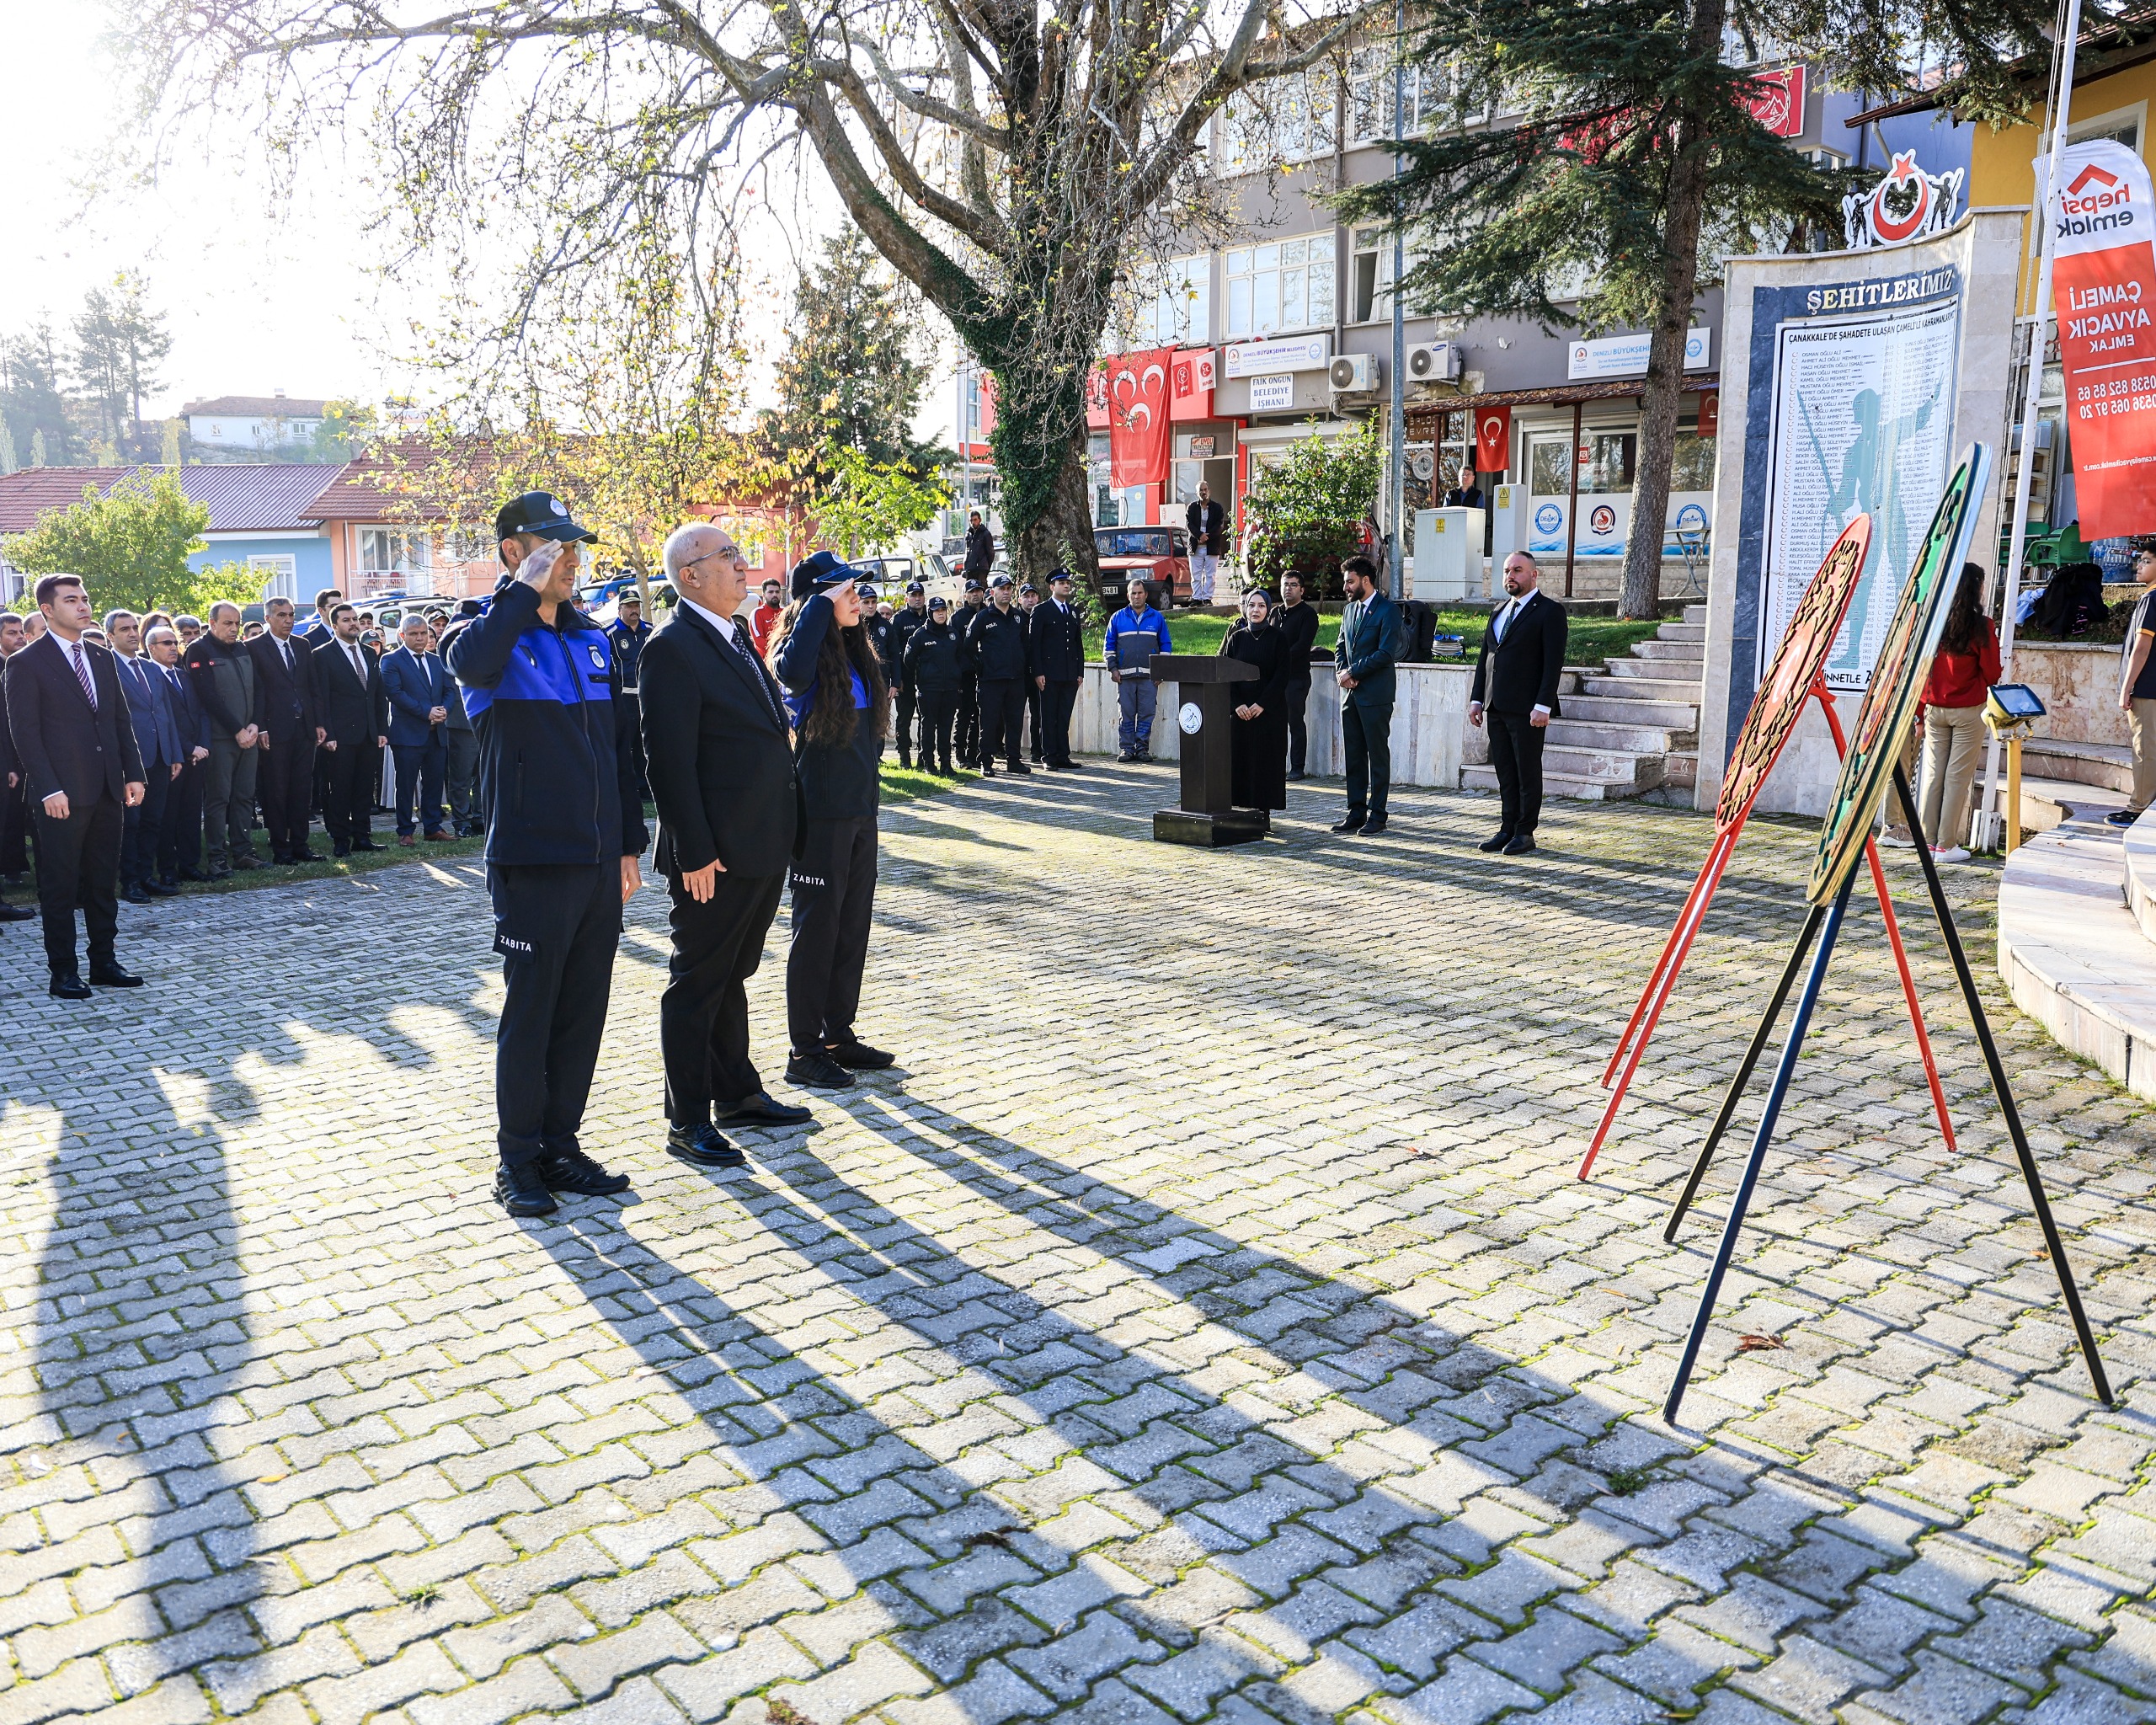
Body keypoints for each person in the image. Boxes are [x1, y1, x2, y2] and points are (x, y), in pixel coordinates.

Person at [446, 490, 648, 1217]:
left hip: (598, 861)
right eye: (555, 546)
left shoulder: (594, 638)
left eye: (574, 546)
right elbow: (472, 665)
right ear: (513, 552)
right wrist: (520, 592)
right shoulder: (483, 634)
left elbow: (620, 750)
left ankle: (562, 1146)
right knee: (531, 1014)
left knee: (582, 1011)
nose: (572, 559)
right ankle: (517, 1160)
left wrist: (629, 845)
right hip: (532, 860)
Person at [639, 521, 813, 1173]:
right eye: (729, 555)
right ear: (690, 575)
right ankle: (687, 1120)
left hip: (760, 840)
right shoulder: (671, 647)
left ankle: (736, 1094)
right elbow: (668, 762)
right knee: (696, 984)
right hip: (712, 855)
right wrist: (694, 852)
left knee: (730, 975)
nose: (744, 565)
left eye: (740, 554)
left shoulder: (733, 632)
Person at [772, 552, 898, 1090]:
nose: (856, 598)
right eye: (843, 590)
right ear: (816, 601)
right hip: (821, 815)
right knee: (817, 929)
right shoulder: (800, 652)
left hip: (860, 809)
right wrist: (817, 608)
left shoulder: (853, 652)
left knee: (851, 926)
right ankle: (803, 1051)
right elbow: (792, 672)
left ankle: (836, 1034)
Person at [3, 575, 147, 996]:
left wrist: (133, 773)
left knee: (102, 883)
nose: (83, 606)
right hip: (60, 795)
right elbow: (25, 733)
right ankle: (63, 971)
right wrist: (48, 788)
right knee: (60, 886)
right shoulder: (26, 662)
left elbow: (119, 720)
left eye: (84, 598)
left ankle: (104, 962)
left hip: (107, 789)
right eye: (71, 600)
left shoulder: (101, 657)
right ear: (47, 610)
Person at [1469, 550, 1568, 855]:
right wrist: (1477, 699)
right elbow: (1486, 658)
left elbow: (1553, 663)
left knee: (1527, 772)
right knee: (1505, 773)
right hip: (1496, 705)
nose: (1510, 576)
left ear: (1533, 575)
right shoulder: (1499, 611)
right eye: (1506, 571)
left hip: (1528, 709)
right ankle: (1507, 828)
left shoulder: (1549, 611)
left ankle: (1525, 832)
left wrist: (1543, 705)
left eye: (1517, 570)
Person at [1913, 562, 2002, 862]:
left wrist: (1920, 710)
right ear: (1976, 588)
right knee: (1957, 777)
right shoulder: (1982, 626)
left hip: (1934, 708)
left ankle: (1927, 842)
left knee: (1932, 775)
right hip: (1968, 709)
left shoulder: (1933, 621)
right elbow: (1992, 672)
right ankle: (1946, 844)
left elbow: (1921, 670)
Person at [106, 611, 182, 902]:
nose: (132, 633)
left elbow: (165, 713)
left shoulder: (151, 668)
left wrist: (174, 753)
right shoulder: (107, 667)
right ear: (110, 636)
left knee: (153, 820)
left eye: (134, 627)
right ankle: (130, 882)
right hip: (130, 759)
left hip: (160, 756)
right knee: (132, 823)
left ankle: (147, 876)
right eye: (124, 629)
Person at [185, 602, 264, 879]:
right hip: (221, 738)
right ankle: (217, 857)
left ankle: (243, 851)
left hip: (249, 736)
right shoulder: (198, 650)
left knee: (245, 795)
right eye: (228, 623)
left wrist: (254, 724)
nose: (234, 628)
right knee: (218, 798)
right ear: (212, 623)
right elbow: (207, 696)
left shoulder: (243, 648)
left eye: (237, 623)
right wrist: (236, 730)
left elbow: (258, 689)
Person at [1333, 556, 1406, 836]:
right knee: (1353, 756)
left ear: (1366, 581)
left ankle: (1378, 815)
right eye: (1345, 582)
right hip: (1350, 696)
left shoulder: (1388, 611)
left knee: (1377, 756)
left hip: (1375, 696)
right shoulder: (1349, 610)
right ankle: (1355, 812)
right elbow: (1340, 646)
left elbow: (1386, 653)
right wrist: (1342, 672)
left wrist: (1353, 671)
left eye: (1350, 582)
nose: (1346, 587)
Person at [311, 604, 389, 857]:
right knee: (340, 790)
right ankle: (340, 839)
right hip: (339, 736)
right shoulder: (322, 654)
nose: (353, 623)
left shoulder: (368, 652)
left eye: (355, 619)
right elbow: (321, 698)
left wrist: (381, 729)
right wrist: (328, 733)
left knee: (365, 788)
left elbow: (376, 694)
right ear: (334, 625)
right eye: (346, 620)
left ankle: (362, 837)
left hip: (368, 733)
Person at [250, 597, 323, 864]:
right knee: (277, 790)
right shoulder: (254, 647)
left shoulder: (302, 645)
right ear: (268, 618)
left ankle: (301, 845)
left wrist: (318, 723)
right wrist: (261, 727)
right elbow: (255, 691)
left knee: (302, 789)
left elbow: (312, 687)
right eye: (282, 615)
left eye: (291, 615)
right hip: (274, 730)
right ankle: (281, 847)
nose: (289, 620)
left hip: (303, 728)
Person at [145, 624, 211, 886]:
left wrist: (202, 746)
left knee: (191, 813)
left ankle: (189, 865)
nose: (173, 647)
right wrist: (188, 748)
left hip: (197, 755)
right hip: (171, 757)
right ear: (152, 648)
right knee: (168, 816)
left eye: (174, 642)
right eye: (166, 643)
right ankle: (167, 869)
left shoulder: (183, 675)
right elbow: (165, 720)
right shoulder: (150, 676)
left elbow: (201, 712)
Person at [381, 613, 455, 844]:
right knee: (406, 784)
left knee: (434, 783)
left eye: (424, 633)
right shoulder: (391, 660)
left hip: (436, 734)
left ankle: (433, 828)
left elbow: (450, 690)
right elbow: (395, 694)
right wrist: (427, 712)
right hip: (408, 734)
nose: (420, 638)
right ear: (402, 635)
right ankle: (405, 831)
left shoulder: (437, 660)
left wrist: (444, 710)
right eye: (414, 634)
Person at [1221, 588, 1289, 815]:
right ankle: (1240, 814)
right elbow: (1226, 675)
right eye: (1251, 605)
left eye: (1261, 606)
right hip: (1241, 714)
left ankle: (1263, 813)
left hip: (1268, 713)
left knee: (1266, 764)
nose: (1255, 610)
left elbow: (1282, 676)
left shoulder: (1278, 638)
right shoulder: (1236, 638)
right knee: (1241, 762)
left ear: (1268, 609)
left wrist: (1262, 704)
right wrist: (1237, 705)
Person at [969, 574, 1033, 777]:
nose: (1006, 592)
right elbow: (968, 646)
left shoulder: (1017, 617)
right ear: (993, 592)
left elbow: (1026, 646)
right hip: (991, 680)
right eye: (1002, 589)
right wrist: (981, 665)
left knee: (1015, 722)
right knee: (989, 722)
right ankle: (986, 762)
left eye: (1008, 589)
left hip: (1015, 679)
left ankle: (1013, 761)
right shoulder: (983, 617)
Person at [1105, 578, 1171, 762]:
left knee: (1147, 714)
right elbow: (1109, 646)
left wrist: (1161, 671)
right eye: (1133, 593)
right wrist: (1113, 669)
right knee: (1126, 715)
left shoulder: (1157, 618)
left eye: (1140, 593)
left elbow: (1166, 645)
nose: (1136, 596)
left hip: (1149, 677)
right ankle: (1127, 749)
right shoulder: (1117, 618)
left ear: (1146, 595)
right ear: (1128, 596)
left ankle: (1142, 749)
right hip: (1124, 677)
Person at [2113, 547, 2156, 829]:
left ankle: (2139, 807)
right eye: (2140, 560)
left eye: (2147, 561)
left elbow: (2141, 648)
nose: (2139, 566)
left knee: (2145, 749)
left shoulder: (2151, 599)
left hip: (2146, 688)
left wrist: (2126, 687)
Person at [1030, 570, 1086, 771]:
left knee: (1064, 716)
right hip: (1049, 674)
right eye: (1061, 583)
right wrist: (1037, 672)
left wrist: (1080, 671)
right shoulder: (1041, 610)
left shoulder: (1073, 611)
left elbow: (1077, 644)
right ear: (1052, 587)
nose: (1066, 586)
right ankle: (1049, 756)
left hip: (1069, 673)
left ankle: (1063, 755)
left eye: (1067, 582)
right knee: (1049, 716)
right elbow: (1034, 644)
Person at [902, 596, 964, 775]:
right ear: (930, 613)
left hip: (949, 688)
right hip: (928, 689)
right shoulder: (920, 635)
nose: (941, 614)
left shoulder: (953, 634)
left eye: (943, 610)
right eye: (937, 611)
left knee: (946, 727)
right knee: (928, 726)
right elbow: (908, 660)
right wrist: (923, 674)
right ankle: (928, 764)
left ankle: (946, 763)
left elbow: (960, 657)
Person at [607, 590, 653, 803]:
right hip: (624, 698)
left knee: (646, 744)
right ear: (620, 610)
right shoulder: (609, 634)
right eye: (629, 606)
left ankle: (645, 788)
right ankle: (626, 788)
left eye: (636, 606)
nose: (634, 610)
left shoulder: (650, 631)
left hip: (647, 697)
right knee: (624, 744)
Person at [0, 613, 35, 894]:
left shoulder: (28, 663)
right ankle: (10, 870)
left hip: (30, 752)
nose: (20, 638)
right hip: (8, 756)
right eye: (12, 633)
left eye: (22, 632)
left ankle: (19, 866)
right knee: (10, 816)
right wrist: (9, 764)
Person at [1274, 571, 1320, 779]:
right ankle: (1275, 765)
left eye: (1293, 585)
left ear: (1302, 589)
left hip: (1296, 677)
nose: (1288, 588)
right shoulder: (1274, 613)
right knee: (1275, 723)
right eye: (1285, 584)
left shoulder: (1308, 614)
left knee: (1295, 721)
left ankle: (1297, 767)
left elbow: (1302, 645)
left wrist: (1279, 659)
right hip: (1274, 678)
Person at [888, 581, 931, 769]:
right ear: (907, 598)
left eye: (920, 595)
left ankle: (923, 756)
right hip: (906, 678)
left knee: (926, 718)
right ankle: (904, 756)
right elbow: (893, 652)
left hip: (927, 678)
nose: (917, 598)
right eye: (913, 595)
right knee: (904, 719)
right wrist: (897, 679)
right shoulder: (899, 619)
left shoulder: (930, 616)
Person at [859, 584, 898, 757]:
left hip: (882, 682)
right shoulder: (851, 624)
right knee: (860, 719)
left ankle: (877, 756)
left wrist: (895, 683)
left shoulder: (886, 626)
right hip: (859, 683)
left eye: (873, 602)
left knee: (880, 719)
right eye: (866, 602)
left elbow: (895, 655)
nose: (870, 606)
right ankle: (863, 755)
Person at [955, 579, 989, 766]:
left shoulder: (989, 613)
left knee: (980, 715)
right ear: (965, 595)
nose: (975, 594)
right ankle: (960, 754)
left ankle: (973, 752)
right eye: (971, 591)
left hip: (985, 672)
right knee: (964, 714)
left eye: (978, 591)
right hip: (965, 673)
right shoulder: (958, 617)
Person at [1016, 584, 1047, 761]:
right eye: (1026, 596)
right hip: (1019, 674)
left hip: (1038, 672)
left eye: (1033, 596)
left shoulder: (1042, 615)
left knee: (1038, 714)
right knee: (1015, 714)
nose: (1030, 600)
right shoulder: (1014, 618)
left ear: (1038, 598)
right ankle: (1012, 751)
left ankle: (1037, 750)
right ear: (1020, 599)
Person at [1187, 482, 1227, 606]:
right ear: (1197, 493)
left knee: (1211, 575)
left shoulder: (1217, 508)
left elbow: (1219, 526)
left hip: (1212, 546)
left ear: (1209, 491)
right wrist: (1199, 535)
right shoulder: (1191, 507)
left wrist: (1206, 537)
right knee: (1195, 575)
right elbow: (1189, 525)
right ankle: (1197, 598)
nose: (1203, 492)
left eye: (1205, 490)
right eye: (1201, 490)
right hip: (1195, 547)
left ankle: (1207, 598)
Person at [748, 577, 786, 659]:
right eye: (771, 592)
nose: (774, 595)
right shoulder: (757, 613)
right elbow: (759, 640)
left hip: (784, 659)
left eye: (777, 592)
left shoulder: (786, 612)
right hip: (764, 661)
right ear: (764, 595)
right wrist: (777, 653)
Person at [963, 509, 995, 582]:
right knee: (970, 588)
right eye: (971, 520)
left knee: (981, 587)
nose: (973, 522)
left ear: (980, 520)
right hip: (970, 568)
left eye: (975, 520)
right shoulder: (968, 534)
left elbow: (991, 553)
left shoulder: (985, 534)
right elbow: (967, 551)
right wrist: (966, 564)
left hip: (981, 569)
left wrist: (986, 567)